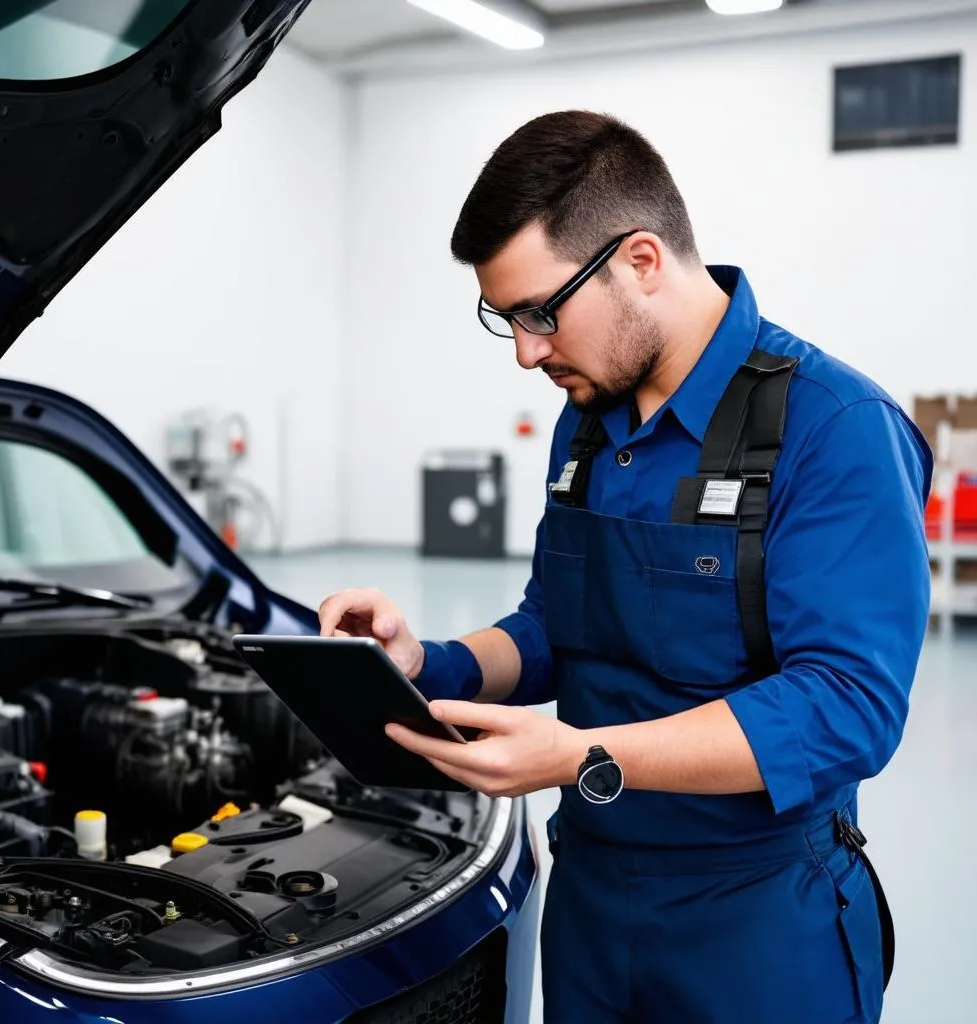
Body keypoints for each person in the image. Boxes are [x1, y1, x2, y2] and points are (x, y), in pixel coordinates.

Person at [318, 111, 932, 1024]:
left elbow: (848, 707)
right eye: (505, 320)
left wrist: (581, 754)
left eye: (539, 313)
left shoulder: (835, 429)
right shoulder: (591, 417)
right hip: (593, 909)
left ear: (641, 262)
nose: (527, 351)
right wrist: (425, 663)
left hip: (757, 924)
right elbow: (557, 627)